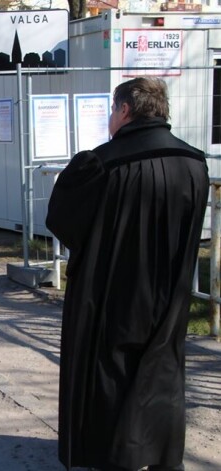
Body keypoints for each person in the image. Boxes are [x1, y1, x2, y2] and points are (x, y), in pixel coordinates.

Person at [46, 77, 209, 471]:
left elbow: (62, 221)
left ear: (124, 110)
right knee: (161, 367)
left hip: (111, 289)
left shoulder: (102, 163)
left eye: (111, 111)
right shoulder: (194, 163)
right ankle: (157, 454)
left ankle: (112, 453)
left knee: (109, 369)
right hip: (169, 290)